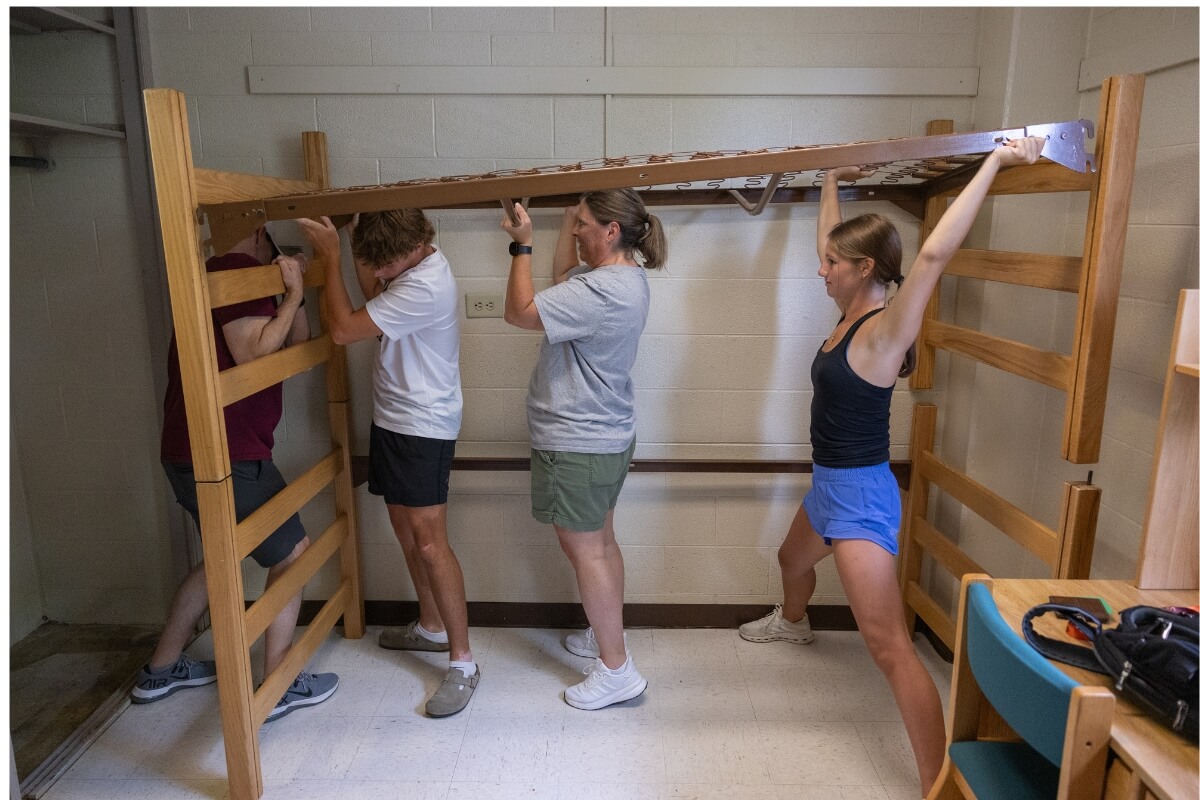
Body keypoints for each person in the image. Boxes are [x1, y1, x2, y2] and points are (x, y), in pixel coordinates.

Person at [737, 136, 1046, 793]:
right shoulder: (846, 311)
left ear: (866, 267)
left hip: (862, 500)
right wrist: (828, 180)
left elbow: (934, 252)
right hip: (827, 488)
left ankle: (937, 781)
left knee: (890, 651)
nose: (821, 270)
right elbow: (831, 237)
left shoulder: (885, 329)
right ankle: (793, 625)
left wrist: (997, 161)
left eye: (832, 263)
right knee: (791, 563)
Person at [138, 225, 339, 721]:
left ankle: (160, 670)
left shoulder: (240, 280)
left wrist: (291, 295)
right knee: (294, 554)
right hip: (226, 454)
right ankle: (279, 683)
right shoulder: (231, 271)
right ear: (257, 236)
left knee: (221, 560)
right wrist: (290, 290)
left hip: (198, 451)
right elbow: (255, 351)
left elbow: (296, 347)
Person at [297, 210, 479, 718]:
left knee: (429, 539)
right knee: (402, 526)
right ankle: (431, 626)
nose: (378, 275)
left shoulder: (427, 285)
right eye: (373, 265)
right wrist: (355, 235)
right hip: (395, 418)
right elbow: (376, 294)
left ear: (420, 242)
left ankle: (463, 663)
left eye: (386, 265)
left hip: (424, 426)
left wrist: (332, 256)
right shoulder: (402, 269)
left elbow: (342, 329)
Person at [500, 190, 666, 710]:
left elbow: (521, 312)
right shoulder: (619, 280)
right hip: (603, 436)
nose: (575, 232)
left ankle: (616, 670)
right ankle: (604, 633)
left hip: (578, 441)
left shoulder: (604, 290)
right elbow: (560, 282)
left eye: (585, 225)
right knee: (603, 545)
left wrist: (520, 247)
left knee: (587, 551)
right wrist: (569, 217)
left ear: (612, 231)